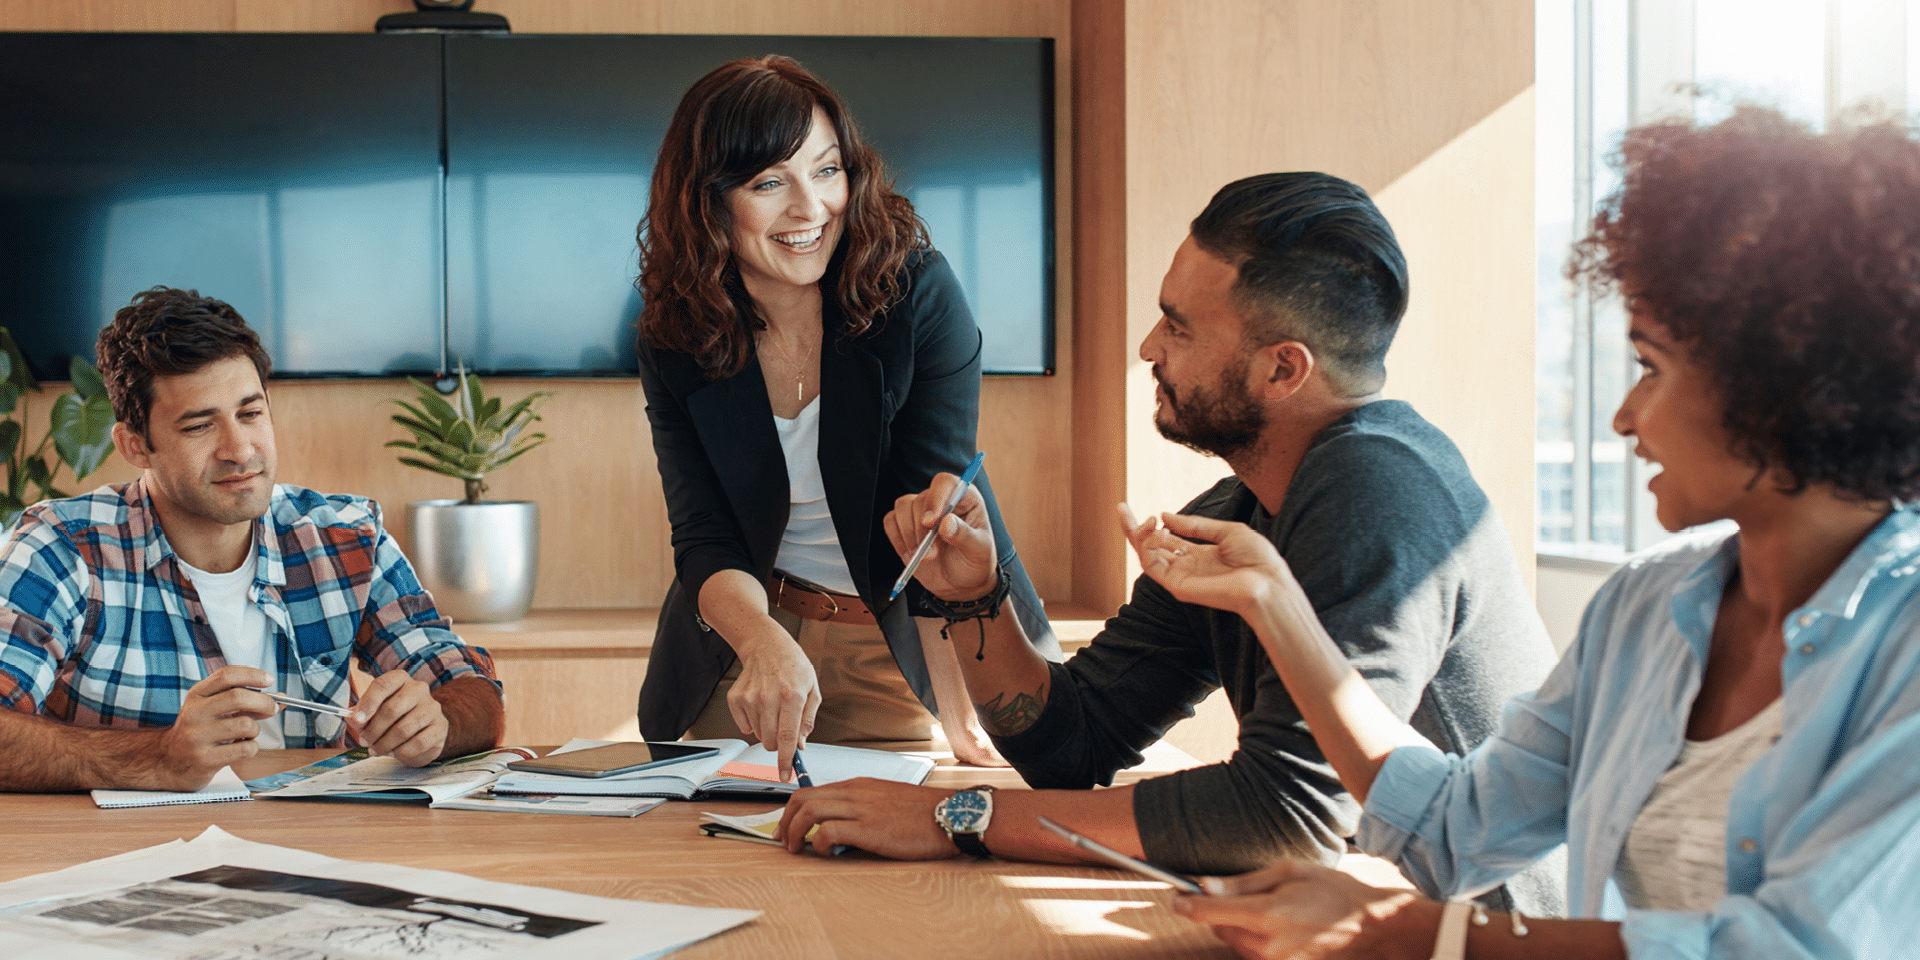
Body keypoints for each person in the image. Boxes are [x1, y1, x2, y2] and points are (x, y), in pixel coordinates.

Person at [1155, 106, 1920, 959]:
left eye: (1651, 367)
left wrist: (1427, 936)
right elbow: (1454, 826)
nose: (1627, 418)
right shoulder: (1649, 606)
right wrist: (1276, 606)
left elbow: (1784, 947)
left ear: (1786, 386)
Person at [778, 172, 1566, 915]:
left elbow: (1284, 814)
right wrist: (973, 596)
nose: (1150, 346)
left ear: (1282, 369)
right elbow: (1072, 746)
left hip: (1488, 938)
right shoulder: (1243, 508)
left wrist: (957, 815)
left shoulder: (1376, 490)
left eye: (1179, 327)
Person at [633, 55, 1059, 778]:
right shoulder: (675, 330)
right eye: (769, 182)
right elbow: (705, 533)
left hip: (899, 634)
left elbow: (932, 514)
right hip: (750, 631)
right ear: (707, 202)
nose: (810, 208)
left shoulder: (915, 293)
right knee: (701, 846)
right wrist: (762, 642)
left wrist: (963, 697)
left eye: (827, 171)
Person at [0, 287, 503, 793]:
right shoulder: (60, 545)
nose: (240, 450)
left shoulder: (347, 535)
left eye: (250, 413)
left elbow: (472, 690)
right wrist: (158, 756)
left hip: (320, 845)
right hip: (131, 856)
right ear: (136, 445)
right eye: (199, 426)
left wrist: (438, 722)